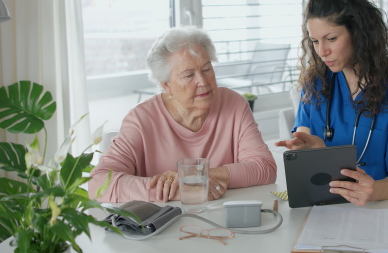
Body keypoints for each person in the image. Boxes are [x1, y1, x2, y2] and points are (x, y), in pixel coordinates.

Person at [275, 0, 388, 207]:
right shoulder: (316, 84)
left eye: (331, 38)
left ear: (357, 32)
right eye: (315, 41)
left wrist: (375, 190)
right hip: (330, 208)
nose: (321, 51)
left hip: (387, 208)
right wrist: (312, 151)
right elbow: (305, 140)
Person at [89, 26, 277, 203]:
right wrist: (180, 190)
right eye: (188, 75)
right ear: (166, 85)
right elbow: (98, 184)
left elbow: (264, 167)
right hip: (161, 230)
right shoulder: (141, 120)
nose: (203, 81)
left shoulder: (233, 104)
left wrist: (194, 177)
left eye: (206, 69)